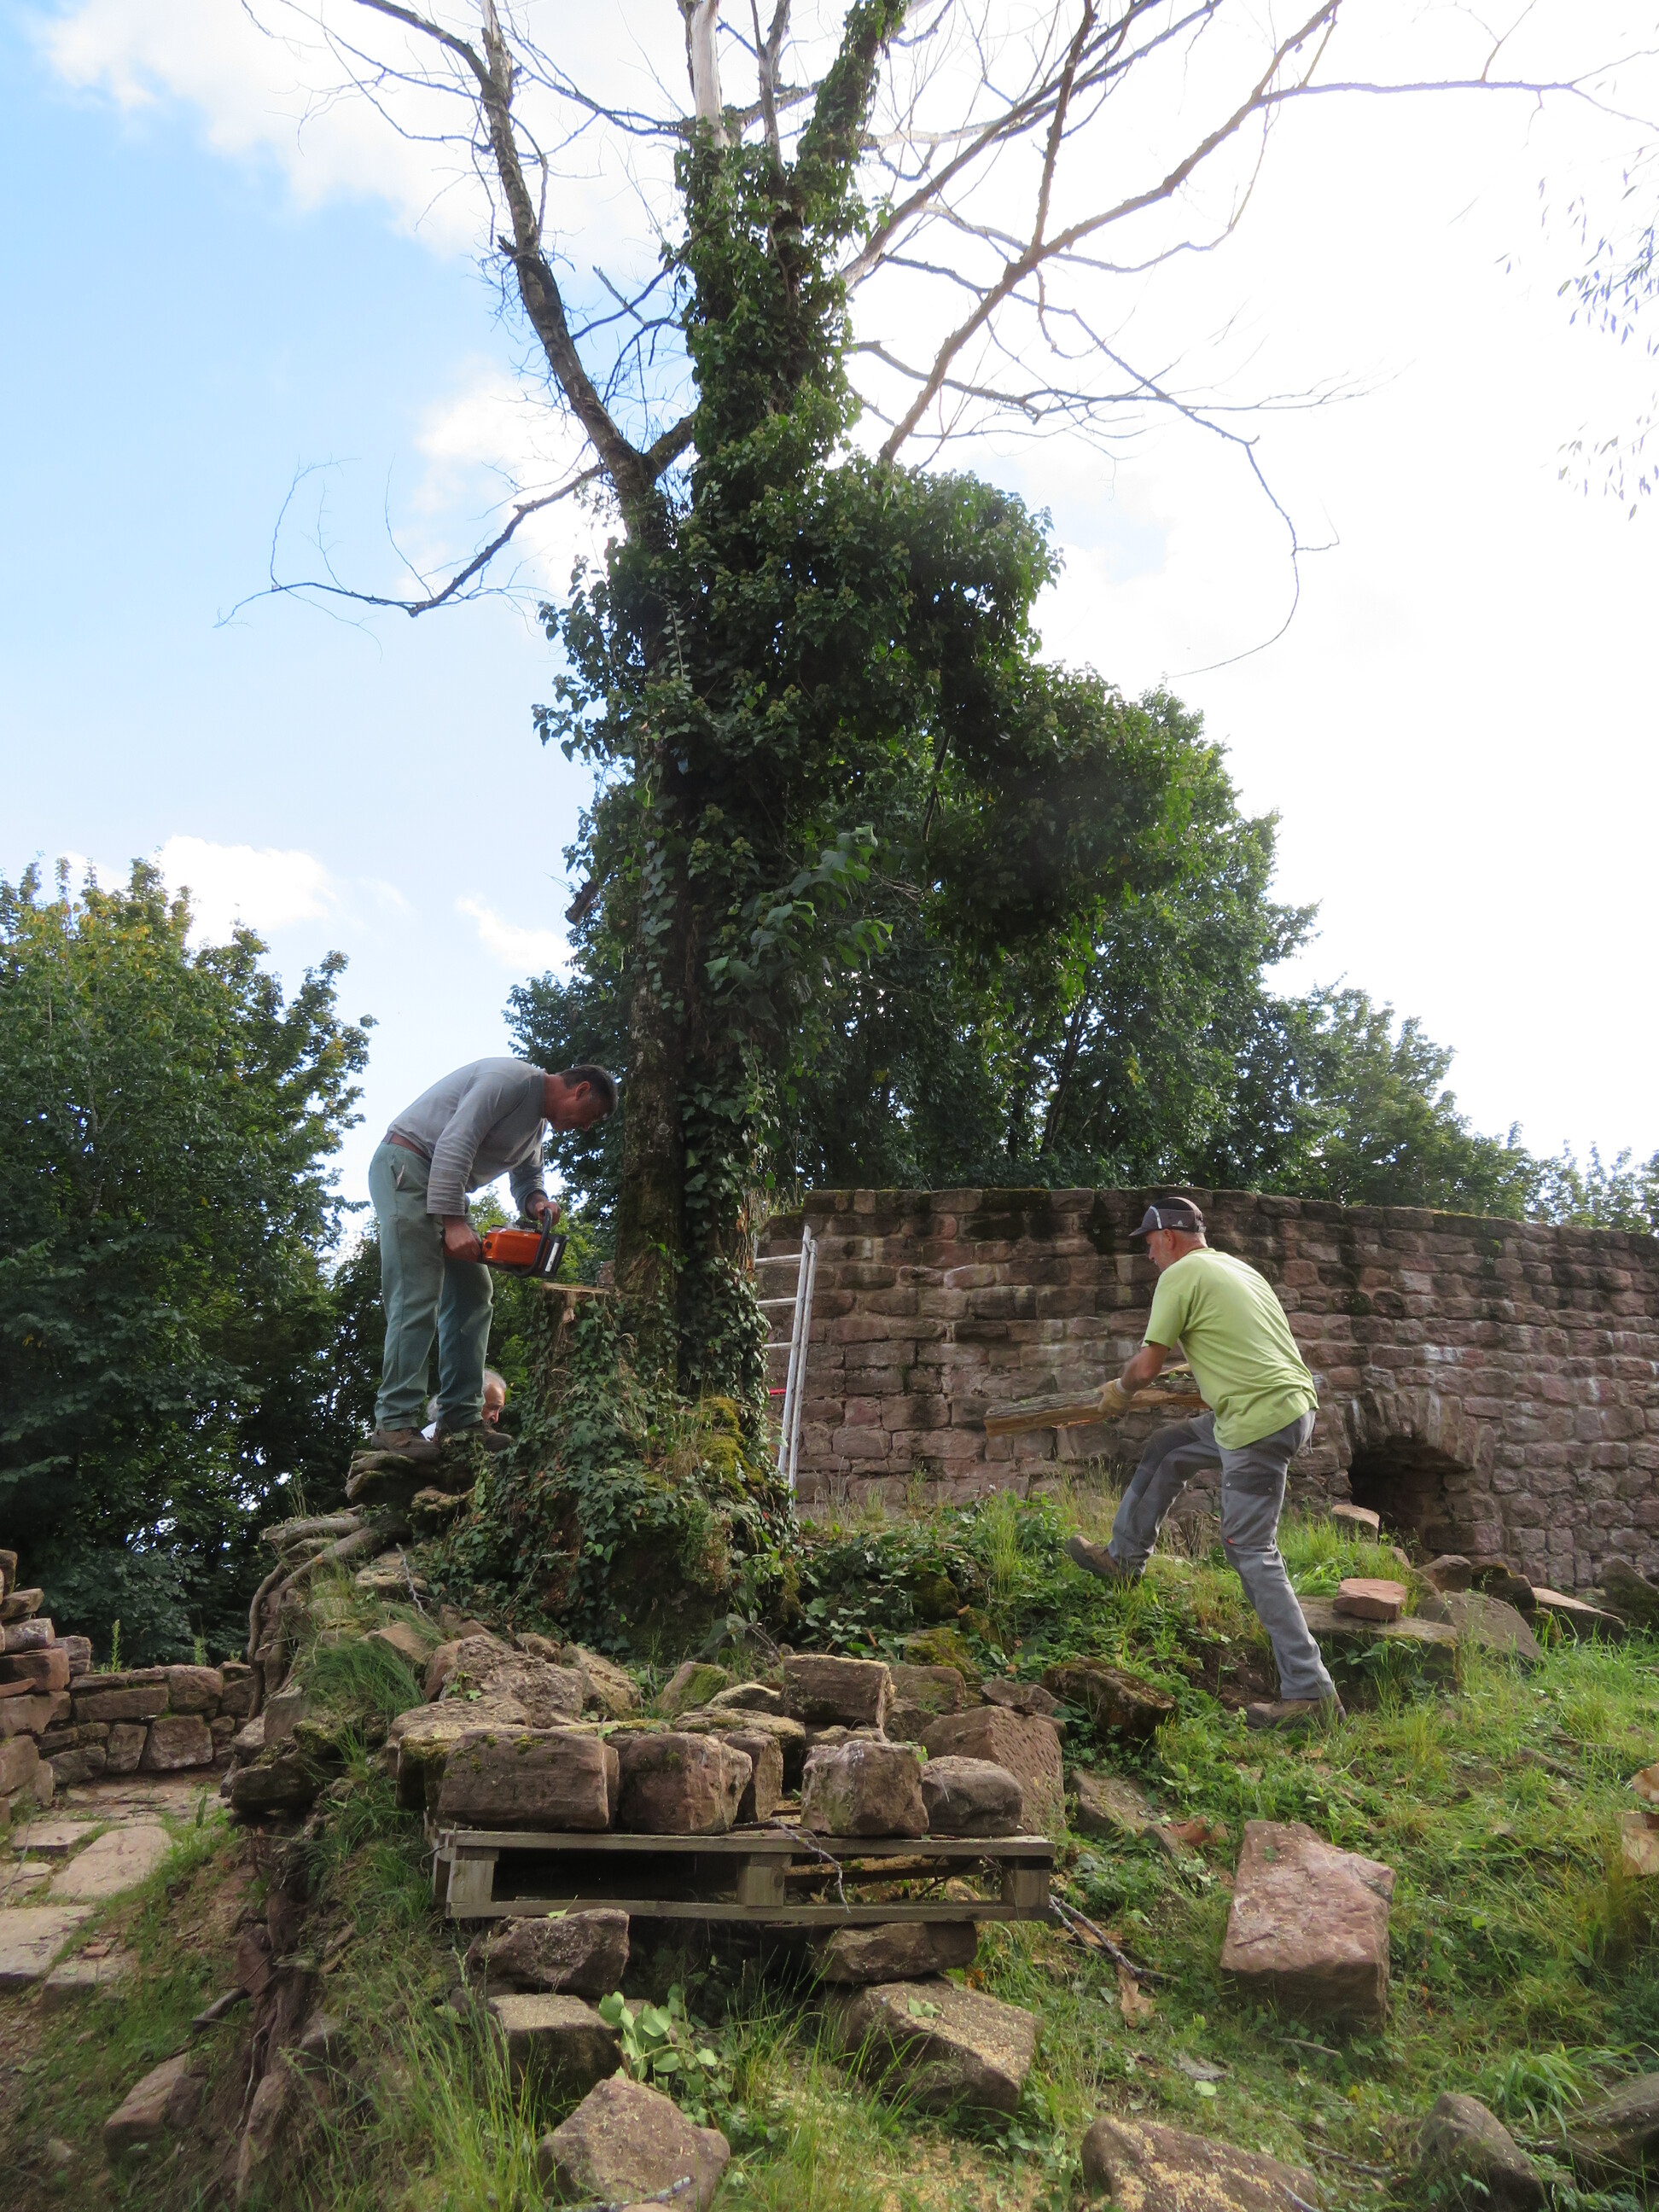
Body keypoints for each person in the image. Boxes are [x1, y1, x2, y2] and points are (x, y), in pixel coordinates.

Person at [1066, 1196, 1343, 1733]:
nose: (1149, 1255)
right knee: (1168, 1448)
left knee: (1250, 1549)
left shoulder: (1180, 1276)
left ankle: (1311, 1692)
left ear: (1169, 1237)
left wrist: (1120, 1390)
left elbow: (1146, 1366)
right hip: (1286, 1409)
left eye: (1150, 1244)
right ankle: (1123, 1558)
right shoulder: (1239, 1270)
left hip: (1257, 1421)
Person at [367, 1059, 616, 1462]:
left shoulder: (536, 1126)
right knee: (416, 1293)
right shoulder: (510, 1081)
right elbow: (455, 1142)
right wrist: (453, 1222)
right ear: (581, 1090)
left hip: (444, 1186)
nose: (586, 1127)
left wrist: (538, 1202)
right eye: (591, 1116)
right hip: (408, 1167)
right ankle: (394, 1423)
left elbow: (528, 1179)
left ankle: (460, 1418)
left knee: (473, 1294)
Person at [422, 1370, 507, 1441]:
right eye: (492, 1408)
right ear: (469, 1401)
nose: (496, 1419)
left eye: (499, 1411)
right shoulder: (429, 1439)